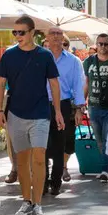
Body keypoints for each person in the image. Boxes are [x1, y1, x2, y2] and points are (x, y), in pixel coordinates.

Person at [0, 15, 63, 215]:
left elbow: (54, 83)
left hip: (40, 113)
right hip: (16, 113)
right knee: (22, 160)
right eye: (14, 32)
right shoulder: (9, 55)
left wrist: (58, 111)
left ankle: (38, 203)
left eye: (21, 32)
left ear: (32, 32)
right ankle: (26, 201)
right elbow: (0, 83)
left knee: (39, 157)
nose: (17, 36)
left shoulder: (45, 55)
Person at [44, 26, 87, 198]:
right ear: (46, 37)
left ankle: (55, 182)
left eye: (59, 34)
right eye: (52, 33)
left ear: (63, 38)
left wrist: (79, 109)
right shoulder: (40, 57)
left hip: (63, 105)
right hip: (41, 104)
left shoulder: (73, 61)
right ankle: (42, 181)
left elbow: (78, 84)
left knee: (60, 144)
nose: (56, 37)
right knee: (42, 144)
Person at [84, 32, 108, 176]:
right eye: (100, 44)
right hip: (93, 105)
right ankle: (106, 165)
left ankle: (105, 169)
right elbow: (86, 83)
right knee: (99, 140)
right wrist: (81, 103)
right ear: (96, 45)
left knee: (107, 138)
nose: (103, 46)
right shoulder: (89, 62)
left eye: (106, 44)